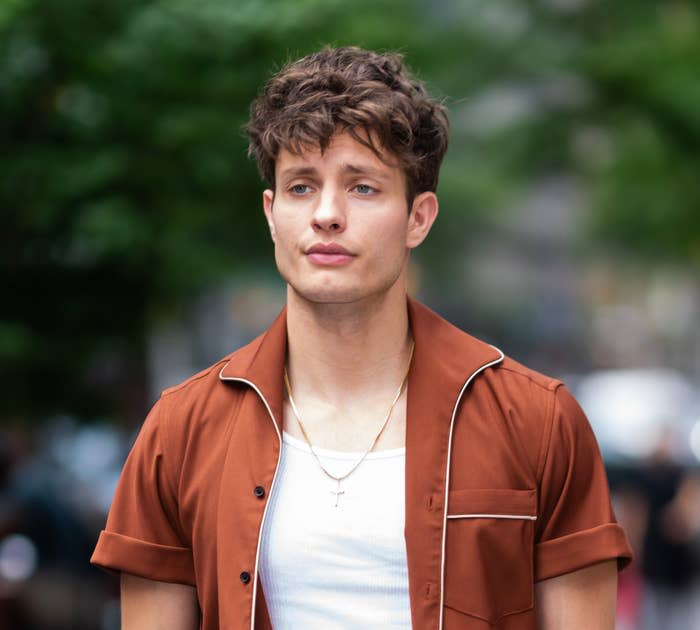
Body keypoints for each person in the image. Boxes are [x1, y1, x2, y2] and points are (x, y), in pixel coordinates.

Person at [91, 46, 633, 629]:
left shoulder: (537, 421)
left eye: (363, 187)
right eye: (301, 187)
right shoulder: (183, 428)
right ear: (272, 214)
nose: (326, 214)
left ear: (418, 218)